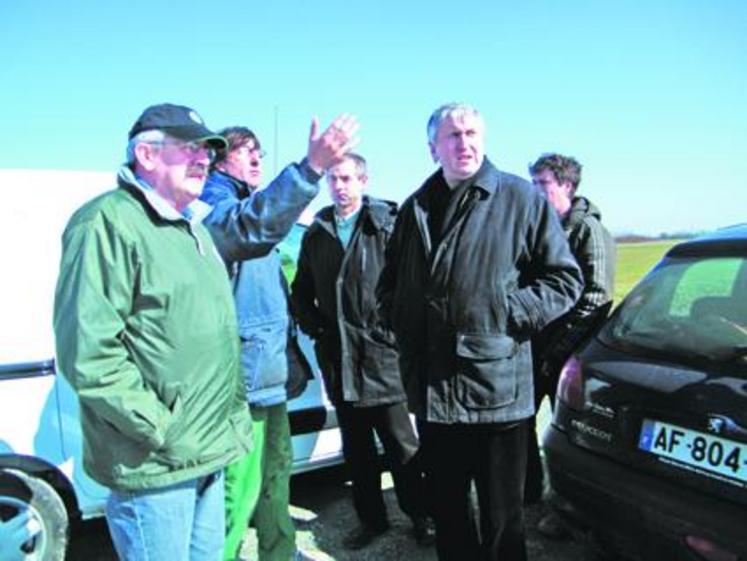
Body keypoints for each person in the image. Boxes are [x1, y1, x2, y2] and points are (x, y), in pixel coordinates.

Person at [376, 103, 584, 561]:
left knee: (501, 525)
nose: (463, 143)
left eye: (471, 133)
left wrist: (506, 313)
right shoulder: (414, 208)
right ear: (433, 148)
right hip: (433, 391)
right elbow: (388, 283)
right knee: (449, 515)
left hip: (496, 392)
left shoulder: (518, 199)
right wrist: (398, 319)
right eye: (452, 135)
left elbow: (564, 279)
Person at [53, 103, 253, 561]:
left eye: (208, 150)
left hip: (208, 453)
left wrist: (231, 417)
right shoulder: (106, 222)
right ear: (146, 154)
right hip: (155, 467)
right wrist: (162, 429)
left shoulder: (194, 230)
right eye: (190, 148)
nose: (205, 158)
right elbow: (89, 354)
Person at [200, 116, 359, 561]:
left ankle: (279, 551)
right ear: (219, 159)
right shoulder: (214, 200)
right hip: (241, 376)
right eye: (245, 150)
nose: (257, 158)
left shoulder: (247, 202)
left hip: (266, 371)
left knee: (276, 475)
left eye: (260, 152)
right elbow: (247, 227)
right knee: (238, 486)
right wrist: (309, 168)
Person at [291, 153, 435, 550]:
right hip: (340, 363)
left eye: (348, 178)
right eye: (334, 179)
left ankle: (422, 516)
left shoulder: (386, 225)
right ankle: (372, 521)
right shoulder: (317, 231)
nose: (340, 186)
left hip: (383, 360)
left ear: (363, 180)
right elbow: (300, 292)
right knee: (356, 453)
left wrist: (393, 333)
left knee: (402, 447)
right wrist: (318, 330)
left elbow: (415, 288)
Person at [526, 153, 615, 530]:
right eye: (532, 184)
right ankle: (527, 493)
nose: (534, 192)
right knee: (519, 425)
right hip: (534, 349)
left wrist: (557, 351)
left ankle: (566, 511)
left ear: (566, 185)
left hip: (569, 357)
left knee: (569, 434)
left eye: (542, 184)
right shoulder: (538, 227)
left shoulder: (589, 231)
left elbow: (597, 298)